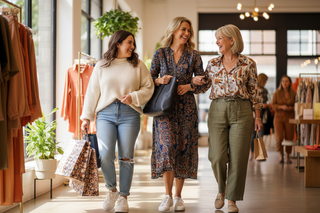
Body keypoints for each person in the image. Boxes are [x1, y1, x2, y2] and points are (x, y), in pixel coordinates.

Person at [80, 30, 154, 213]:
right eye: (129, 42)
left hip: (130, 114)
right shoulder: (102, 66)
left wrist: (134, 96)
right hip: (105, 113)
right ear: (118, 43)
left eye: (133, 43)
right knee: (105, 155)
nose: (132, 46)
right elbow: (92, 92)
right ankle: (111, 190)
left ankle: (123, 197)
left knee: (126, 157)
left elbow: (149, 87)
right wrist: (86, 117)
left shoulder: (138, 65)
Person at [192, 24, 262, 213]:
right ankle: (221, 189)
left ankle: (231, 199)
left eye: (220, 38)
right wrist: (194, 82)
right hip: (218, 110)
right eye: (216, 38)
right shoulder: (213, 63)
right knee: (217, 156)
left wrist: (258, 117)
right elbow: (203, 87)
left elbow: (255, 92)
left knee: (239, 158)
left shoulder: (248, 63)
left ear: (232, 40)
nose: (217, 42)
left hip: (242, 110)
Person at [150, 16, 206, 212]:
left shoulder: (194, 55)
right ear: (174, 30)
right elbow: (148, 80)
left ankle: (179, 197)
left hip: (186, 109)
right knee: (166, 148)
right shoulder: (160, 53)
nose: (186, 33)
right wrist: (159, 81)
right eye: (183, 29)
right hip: (164, 110)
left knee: (183, 150)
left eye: (189, 31)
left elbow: (204, 82)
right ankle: (167, 195)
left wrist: (190, 85)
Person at [272, 75, 296, 163]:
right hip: (278, 117)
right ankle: (280, 156)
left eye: (286, 81)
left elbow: (297, 106)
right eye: (283, 81)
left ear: (290, 83)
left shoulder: (293, 94)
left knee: (289, 137)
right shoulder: (277, 93)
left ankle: (288, 156)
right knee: (279, 137)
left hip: (290, 117)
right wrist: (282, 107)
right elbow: (273, 106)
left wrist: (291, 108)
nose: (284, 83)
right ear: (281, 83)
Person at [250, 73, 270, 161]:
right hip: (260, 116)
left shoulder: (253, 89)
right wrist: (267, 105)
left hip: (252, 115)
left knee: (252, 135)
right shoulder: (263, 90)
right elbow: (262, 104)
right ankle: (260, 155)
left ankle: (252, 154)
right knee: (259, 135)